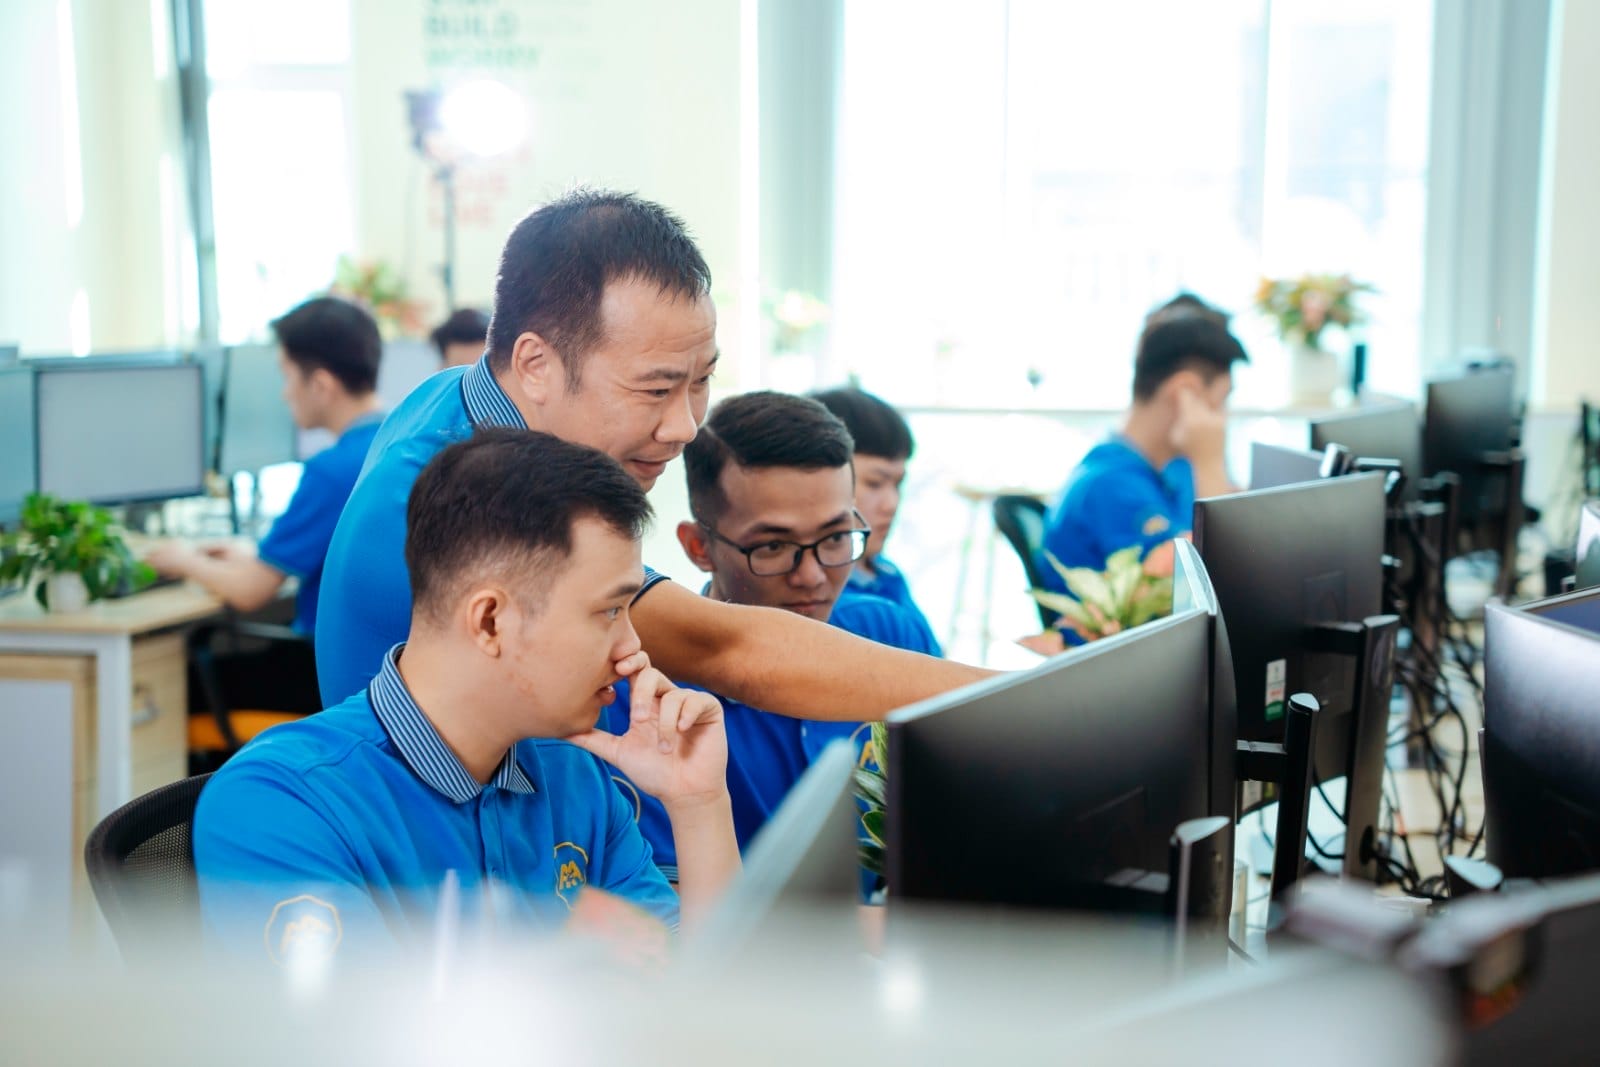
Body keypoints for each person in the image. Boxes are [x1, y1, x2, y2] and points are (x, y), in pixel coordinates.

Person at [315, 189, 989, 715]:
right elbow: (728, 649)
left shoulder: (458, 394)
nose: (686, 425)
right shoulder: (466, 506)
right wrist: (1011, 699)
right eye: (657, 388)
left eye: (700, 382)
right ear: (537, 364)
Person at [193, 429, 739, 965]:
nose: (633, 650)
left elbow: (696, 1004)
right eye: (608, 612)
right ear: (490, 620)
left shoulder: (573, 770)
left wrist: (699, 805)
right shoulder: (283, 804)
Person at [600, 392, 940, 878]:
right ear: (699, 547)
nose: (813, 575)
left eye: (836, 537)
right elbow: (674, 913)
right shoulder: (643, 702)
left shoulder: (890, 631)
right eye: (775, 546)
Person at [146, 296, 385, 634]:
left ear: (320, 386)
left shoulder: (332, 473)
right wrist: (258, 557)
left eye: (287, 378)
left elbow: (251, 592)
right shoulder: (405, 442)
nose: (284, 394)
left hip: (330, 672)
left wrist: (184, 561)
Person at [1037, 294, 1246, 594]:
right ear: (1184, 392)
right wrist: (1209, 461)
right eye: (1220, 401)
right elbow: (1208, 592)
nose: (1222, 418)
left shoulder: (1151, 470)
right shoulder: (1111, 486)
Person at [810, 386, 941, 652]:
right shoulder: (814, 602)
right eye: (874, 483)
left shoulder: (887, 573)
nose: (891, 504)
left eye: (898, 484)